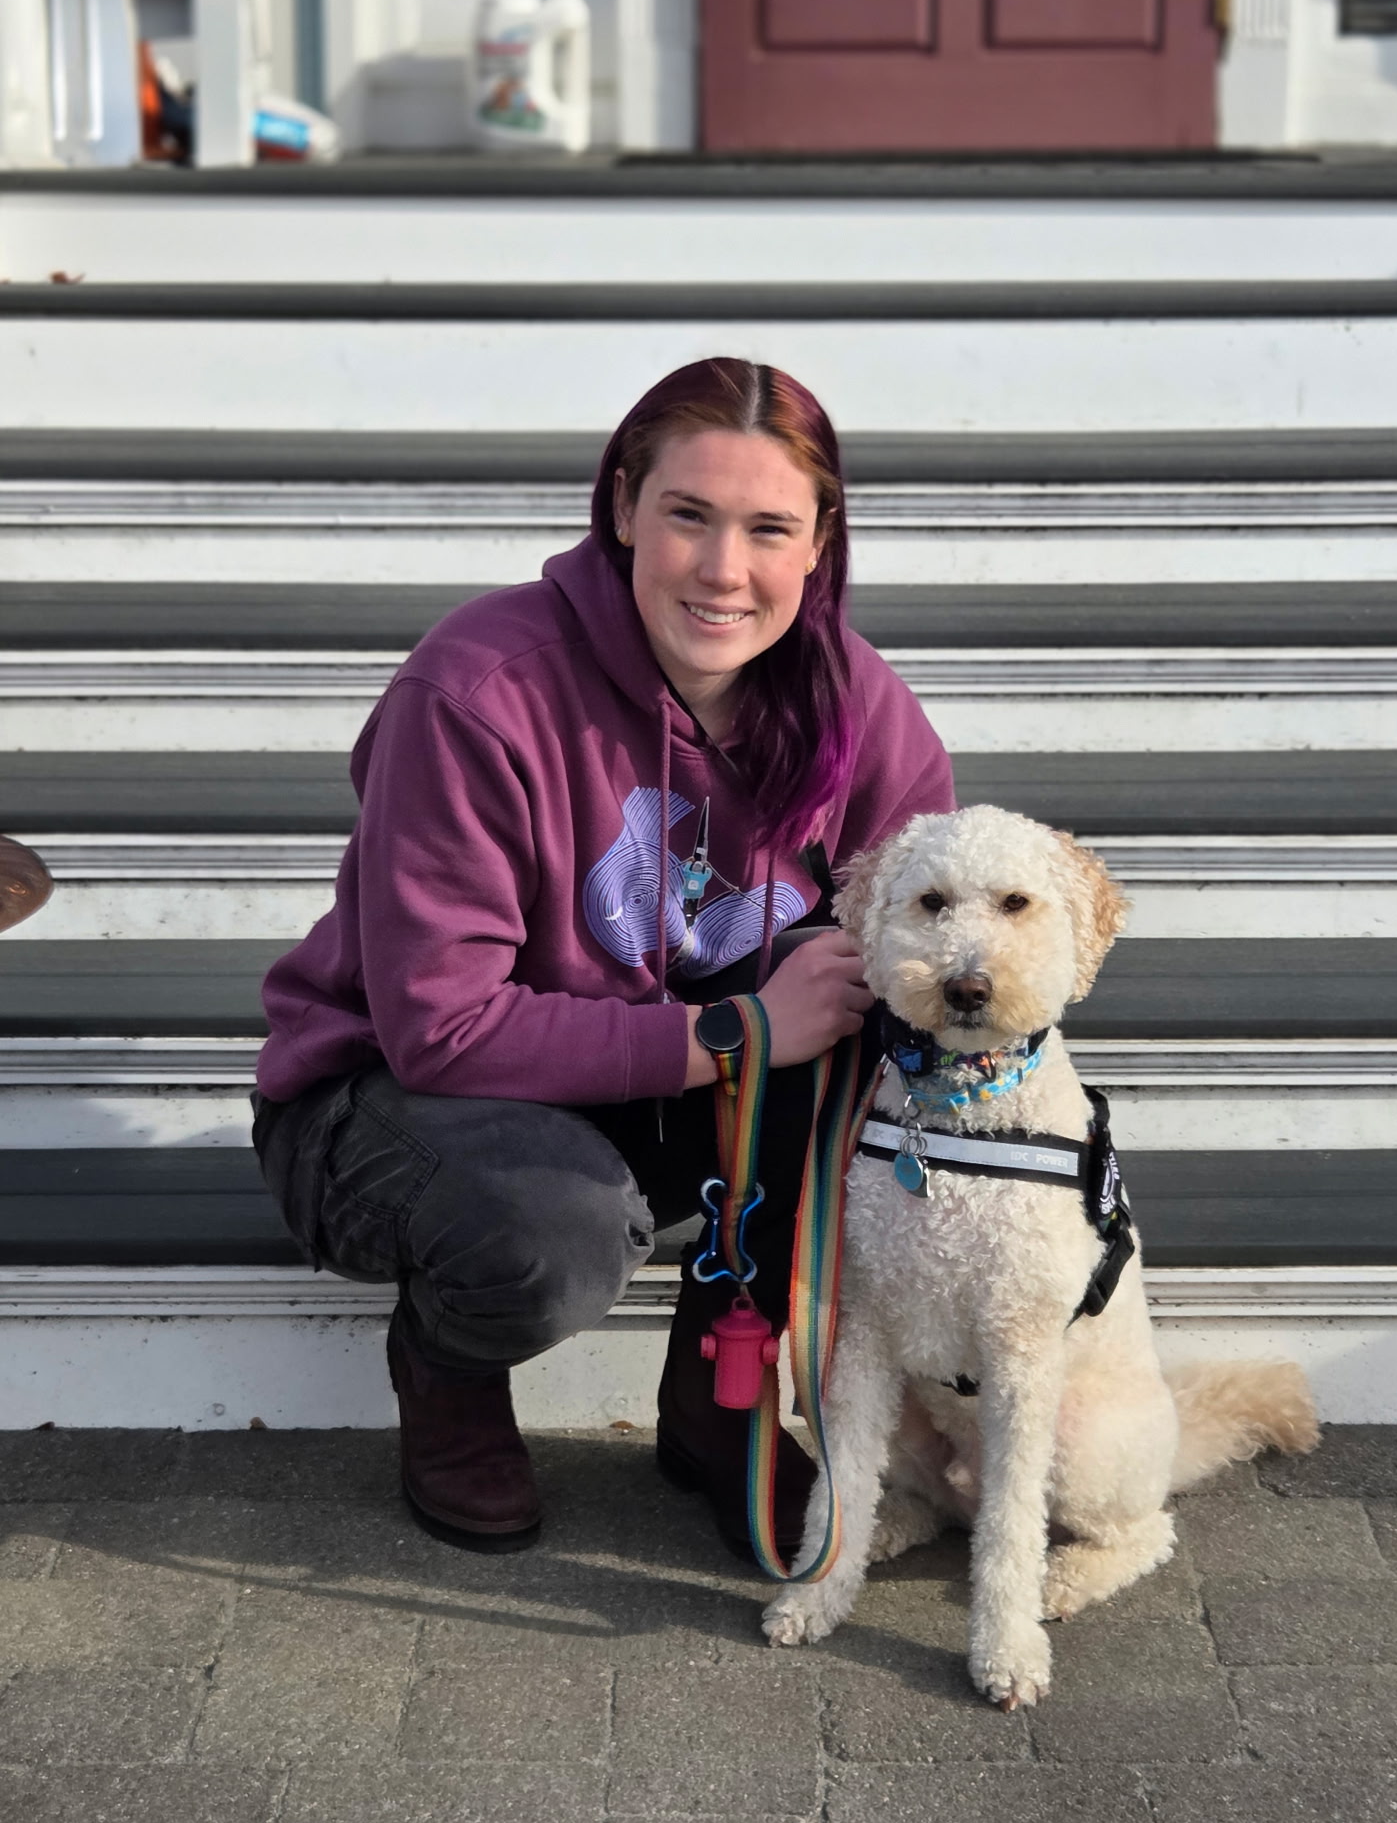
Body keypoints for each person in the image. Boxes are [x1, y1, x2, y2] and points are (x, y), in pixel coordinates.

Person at [249, 358, 954, 1561]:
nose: (724, 569)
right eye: (689, 514)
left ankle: (714, 1401)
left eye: (768, 527)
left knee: (862, 1028)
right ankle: (449, 1373)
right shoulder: (479, 689)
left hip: (645, 1086)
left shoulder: (853, 701)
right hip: (399, 1105)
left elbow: (933, 935)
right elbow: (441, 1025)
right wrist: (734, 1034)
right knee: (552, 1229)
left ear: (820, 543)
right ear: (623, 505)